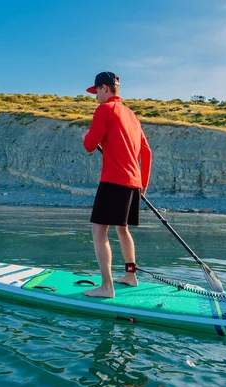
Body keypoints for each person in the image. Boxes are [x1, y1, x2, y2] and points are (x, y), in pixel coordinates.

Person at [82, 71, 152, 298]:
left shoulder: (104, 109)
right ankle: (131, 276)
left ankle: (106, 286)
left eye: (96, 92)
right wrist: (143, 184)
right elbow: (147, 152)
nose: (96, 98)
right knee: (123, 230)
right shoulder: (132, 115)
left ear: (104, 88)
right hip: (133, 182)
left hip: (113, 180)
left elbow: (90, 145)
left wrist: (88, 135)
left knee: (98, 231)